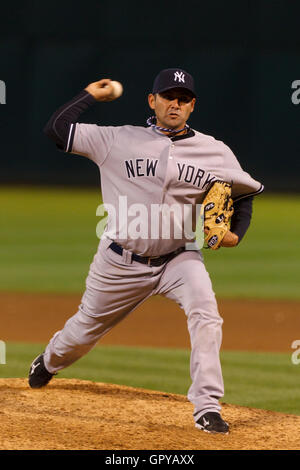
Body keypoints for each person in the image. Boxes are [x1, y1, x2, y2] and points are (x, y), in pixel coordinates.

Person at [28, 68, 263, 434]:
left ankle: (207, 406)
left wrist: (236, 234)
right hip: (120, 260)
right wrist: (91, 94)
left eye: (184, 99)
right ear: (152, 101)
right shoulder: (118, 140)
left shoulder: (215, 150)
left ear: (193, 106)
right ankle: (49, 361)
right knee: (82, 333)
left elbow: (243, 193)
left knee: (206, 313)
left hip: (179, 258)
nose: (176, 104)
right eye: (168, 96)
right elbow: (57, 129)